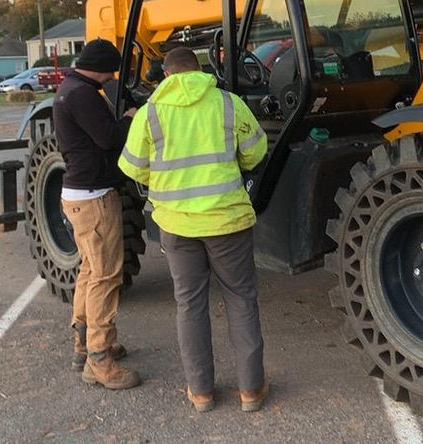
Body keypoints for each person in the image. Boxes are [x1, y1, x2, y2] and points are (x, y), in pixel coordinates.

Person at [117, 47, 269, 412]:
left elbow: (133, 167)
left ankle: (201, 392)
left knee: (189, 304)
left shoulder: (151, 111)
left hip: (177, 225)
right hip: (227, 221)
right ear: (200, 72)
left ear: (166, 75)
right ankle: (251, 390)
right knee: (240, 298)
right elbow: (255, 151)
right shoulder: (227, 103)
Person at [53, 38, 141, 390]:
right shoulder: (83, 94)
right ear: (102, 66)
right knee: (106, 276)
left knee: (90, 271)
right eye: (111, 70)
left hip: (78, 194)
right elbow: (107, 138)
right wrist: (129, 119)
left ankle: (83, 344)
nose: (112, 77)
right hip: (94, 197)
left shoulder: (70, 89)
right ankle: (100, 360)